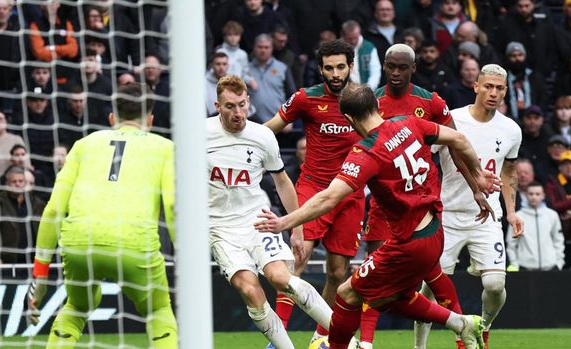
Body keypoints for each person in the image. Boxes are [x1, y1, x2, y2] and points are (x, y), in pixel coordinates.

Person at [255, 82, 493, 349]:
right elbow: (459, 139)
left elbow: (330, 197)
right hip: (434, 231)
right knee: (389, 296)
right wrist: (479, 175)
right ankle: (461, 324)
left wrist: (285, 221)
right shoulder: (409, 123)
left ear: (349, 118)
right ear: (377, 105)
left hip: (410, 244)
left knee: (346, 294)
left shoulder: (367, 152)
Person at [27, 83, 178, 348]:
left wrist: (40, 275)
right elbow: (174, 208)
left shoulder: (84, 144)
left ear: (112, 119)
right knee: (158, 312)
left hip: (78, 242)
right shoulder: (165, 148)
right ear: (151, 120)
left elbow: (52, 210)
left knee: (76, 308)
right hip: (135, 244)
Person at [363, 43, 488, 349]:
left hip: (420, 204)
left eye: (401, 67)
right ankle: (365, 343)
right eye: (390, 66)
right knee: (373, 273)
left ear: (413, 68)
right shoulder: (371, 102)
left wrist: (476, 189)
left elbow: (457, 146)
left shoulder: (429, 102)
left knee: (431, 273)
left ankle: (463, 336)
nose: (395, 72)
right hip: (382, 203)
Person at [208, 75, 332, 349]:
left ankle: (343, 337)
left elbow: (283, 182)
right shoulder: (200, 135)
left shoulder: (262, 136)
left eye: (242, 105)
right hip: (220, 229)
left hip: (257, 220)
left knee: (280, 277)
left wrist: (296, 230)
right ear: (217, 105)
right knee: (250, 290)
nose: (238, 113)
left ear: (249, 101)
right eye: (230, 106)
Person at [264, 40, 366, 344]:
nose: (335, 74)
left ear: (350, 65)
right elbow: (268, 129)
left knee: (338, 273)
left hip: (350, 193)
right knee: (298, 257)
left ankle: (321, 337)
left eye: (340, 67)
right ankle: (277, 337)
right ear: (320, 69)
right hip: (312, 188)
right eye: (329, 68)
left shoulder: (362, 100)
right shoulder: (306, 99)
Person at [417, 64, 524, 349]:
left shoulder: (511, 129)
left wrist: (511, 212)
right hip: (448, 216)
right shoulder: (452, 120)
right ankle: (419, 346)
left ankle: (482, 327)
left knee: (495, 285)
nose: (494, 93)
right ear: (475, 86)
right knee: (429, 286)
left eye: (500, 88)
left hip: (487, 217)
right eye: (488, 86)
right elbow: (427, 161)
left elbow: (509, 172)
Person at [0, 166, 46, 264]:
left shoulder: (37, 204)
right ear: (7, 184)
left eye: (21, 181)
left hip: (34, 261)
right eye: (14, 182)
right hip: (6, 263)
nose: (18, 184)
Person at [506, 182, 564, 271]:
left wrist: (559, 263)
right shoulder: (517, 217)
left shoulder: (552, 215)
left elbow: (558, 240)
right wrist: (515, 264)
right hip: (524, 268)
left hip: (551, 267)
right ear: (525, 195)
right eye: (531, 194)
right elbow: (511, 244)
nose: (534, 197)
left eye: (537, 194)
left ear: (543, 196)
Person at [544, 150, 571, 268]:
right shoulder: (553, 183)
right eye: (564, 164)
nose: (568, 167)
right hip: (563, 239)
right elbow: (552, 206)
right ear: (560, 167)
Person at [341, 20, 382, 90]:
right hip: (345, 91)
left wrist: (368, 89)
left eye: (355, 37)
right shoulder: (338, 48)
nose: (353, 41)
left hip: (367, 90)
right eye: (350, 38)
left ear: (359, 33)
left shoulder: (369, 47)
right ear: (343, 35)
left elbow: (375, 72)